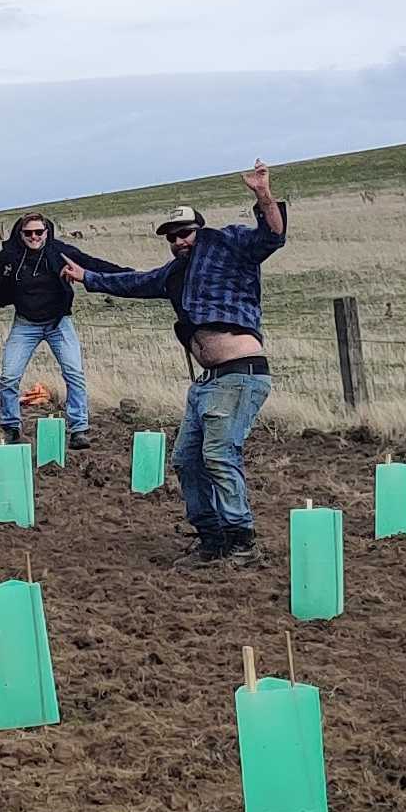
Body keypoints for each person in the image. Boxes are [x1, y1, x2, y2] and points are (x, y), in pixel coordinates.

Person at [64, 162, 288, 565]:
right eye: (172, 237)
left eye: (185, 232)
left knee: (219, 455)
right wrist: (87, 277)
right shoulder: (174, 274)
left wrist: (263, 195)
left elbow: (272, 236)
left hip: (240, 374)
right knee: (187, 460)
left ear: (199, 229)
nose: (179, 241)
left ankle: (243, 543)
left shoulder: (228, 244)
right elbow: (133, 282)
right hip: (208, 381)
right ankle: (212, 539)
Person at [0, 211, 124, 448]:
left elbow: (94, 264)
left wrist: (132, 276)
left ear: (46, 232)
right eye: (28, 233)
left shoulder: (60, 252)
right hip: (25, 325)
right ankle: (11, 428)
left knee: (74, 374)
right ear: (20, 234)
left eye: (39, 232)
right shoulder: (11, 255)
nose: (34, 237)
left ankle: (78, 430)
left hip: (58, 324)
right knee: (9, 377)